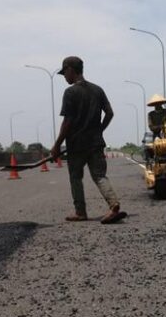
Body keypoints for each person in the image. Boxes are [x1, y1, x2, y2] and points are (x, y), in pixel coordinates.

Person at [51, 56, 123, 223]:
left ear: (70, 69)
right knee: (99, 176)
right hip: (95, 143)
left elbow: (67, 122)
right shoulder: (97, 90)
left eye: (64, 73)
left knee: (76, 177)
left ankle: (80, 212)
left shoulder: (71, 92)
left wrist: (57, 145)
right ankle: (114, 205)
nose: (64, 77)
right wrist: (99, 130)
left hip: (77, 145)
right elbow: (110, 113)